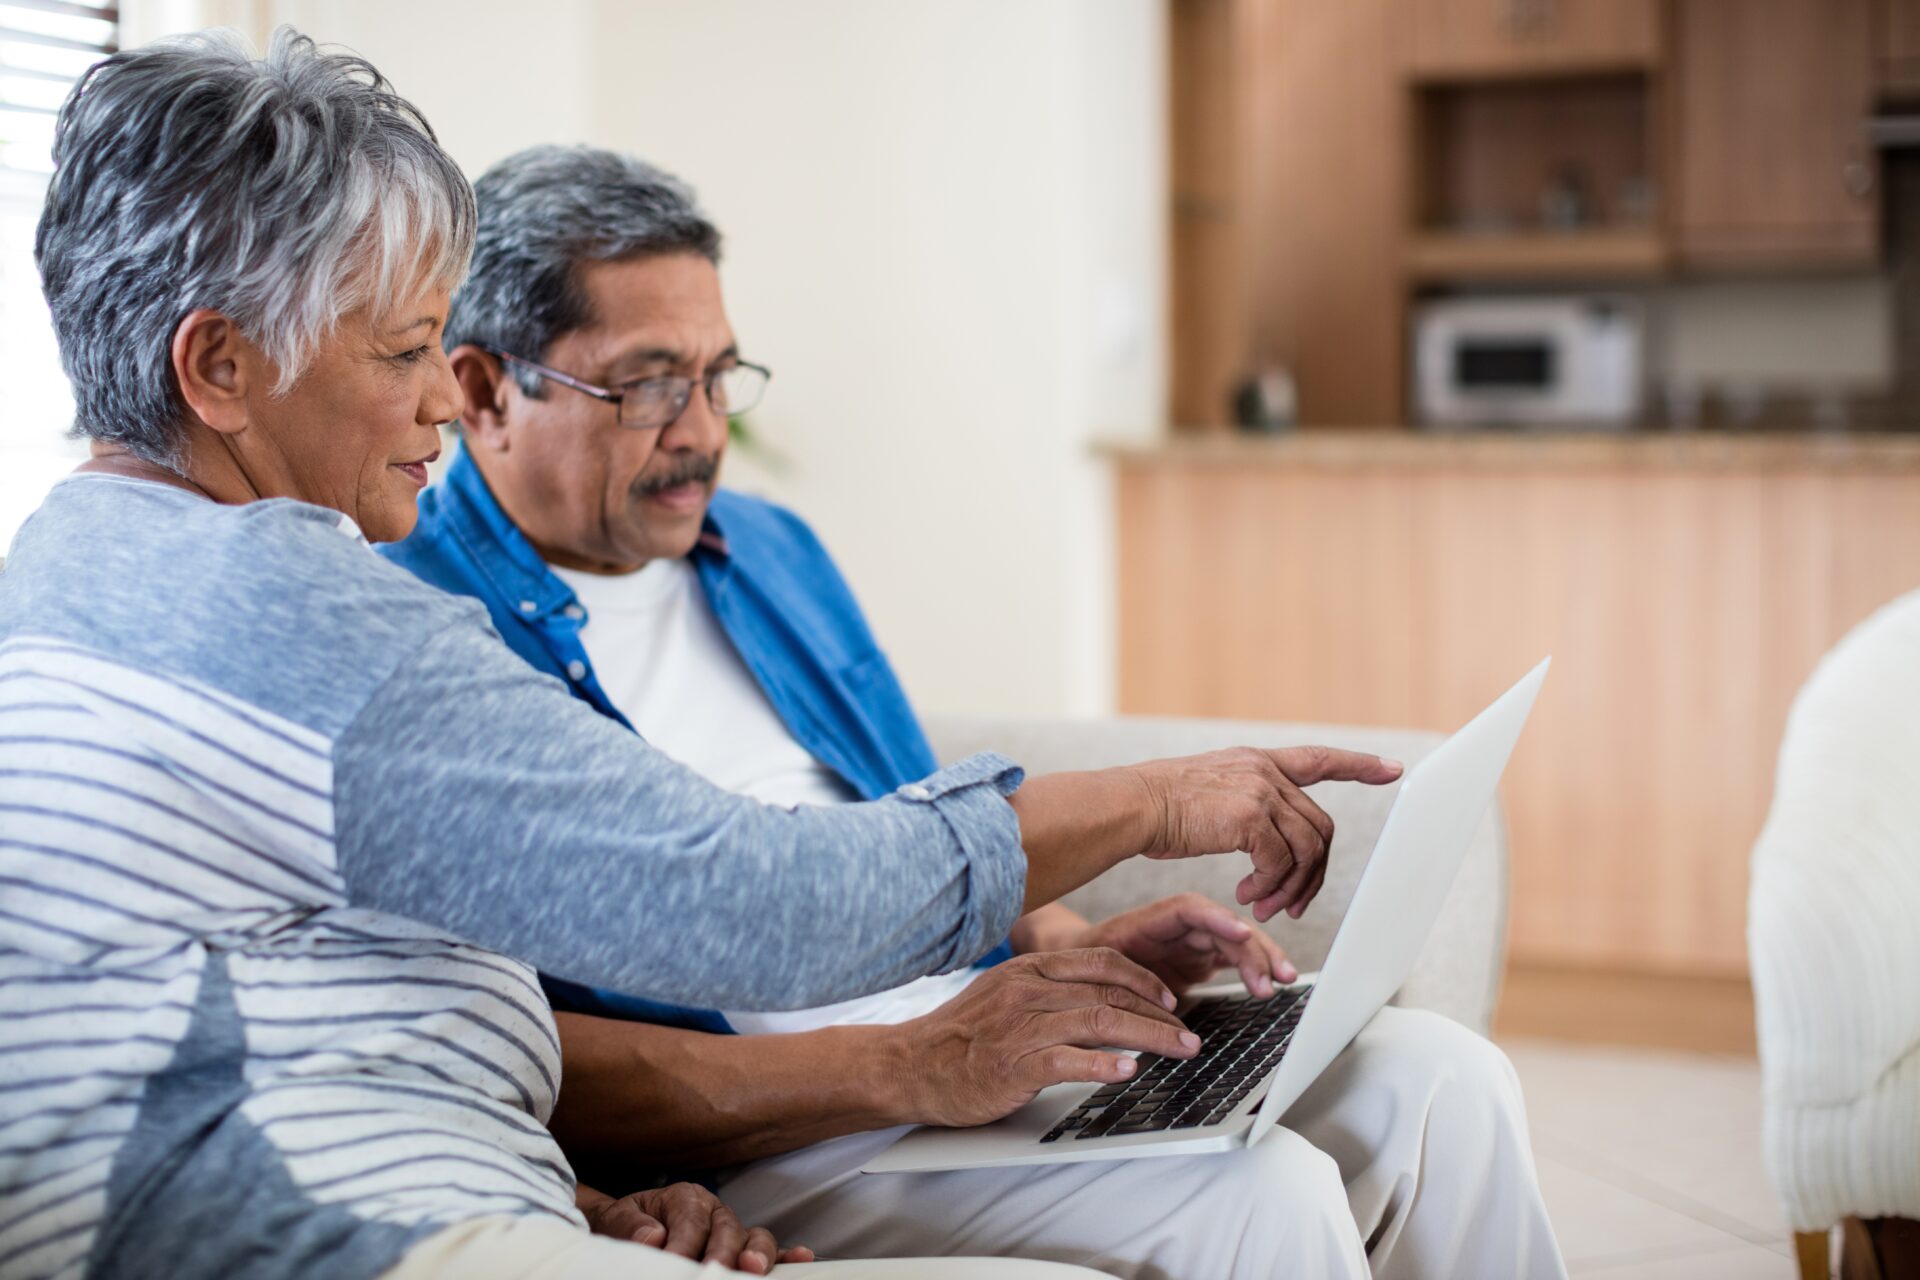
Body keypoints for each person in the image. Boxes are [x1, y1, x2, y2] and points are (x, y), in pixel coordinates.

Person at [0, 30, 1403, 1280]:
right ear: (220, 369)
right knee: (1248, 1205)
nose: (439, 394)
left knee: (1411, 1099)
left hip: (442, 1187)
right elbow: (746, 904)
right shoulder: (288, 607)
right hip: (341, 1218)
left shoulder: (86, 562)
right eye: (408, 351)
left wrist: (583, 1189)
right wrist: (1156, 803)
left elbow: (334, 1001)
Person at [383, 144, 1569, 1280]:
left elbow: (898, 821)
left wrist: (1060, 944)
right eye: (647, 381)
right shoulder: (422, 631)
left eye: (716, 376)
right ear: (485, 388)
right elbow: (506, 1046)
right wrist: (908, 1061)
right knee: (1266, 1196)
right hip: (797, 1127)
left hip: (964, 1051)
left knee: (1444, 1079)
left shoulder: (770, 551)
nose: (700, 430)